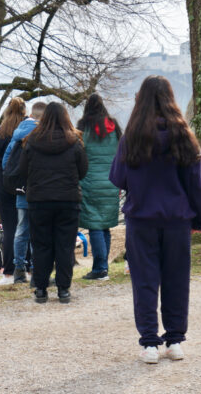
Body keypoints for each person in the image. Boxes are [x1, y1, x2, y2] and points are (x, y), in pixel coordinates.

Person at [109, 75, 201, 364]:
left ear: (140, 100)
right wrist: (199, 218)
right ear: (170, 99)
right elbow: (199, 186)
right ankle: (175, 340)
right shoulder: (184, 136)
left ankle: (150, 343)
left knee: (144, 281)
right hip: (178, 219)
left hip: (141, 219)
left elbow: (118, 177)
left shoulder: (131, 138)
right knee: (177, 280)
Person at [18, 102, 88, 304]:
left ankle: (40, 289)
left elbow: (23, 171)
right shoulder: (74, 142)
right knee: (65, 246)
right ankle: (64, 289)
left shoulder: (31, 142)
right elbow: (82, 171)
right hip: (68, 201)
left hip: (39, 201)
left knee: (41, 246)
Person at [77, 93, 122, 281]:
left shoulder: (82, 127)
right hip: (112, 182)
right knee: (104, 226)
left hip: (90, 182)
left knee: (95, 225)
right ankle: (103, 267)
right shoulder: (114, 127)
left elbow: (78, 153)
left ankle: (100, 269)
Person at [2, 102, 47, 284]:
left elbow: (6, 162)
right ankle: (36, 271)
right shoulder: (43, 133)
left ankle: (19, 270)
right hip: (40, 189)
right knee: (38, 231)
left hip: (22, 190)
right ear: (43, 117)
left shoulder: (18, 132)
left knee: (21, 230)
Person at [0, 97, 26, 284]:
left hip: (3, 183)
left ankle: (9, 271)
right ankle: (28, 266)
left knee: (9, 228)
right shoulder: (28, 131)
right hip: (26, 182)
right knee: (27, 224)